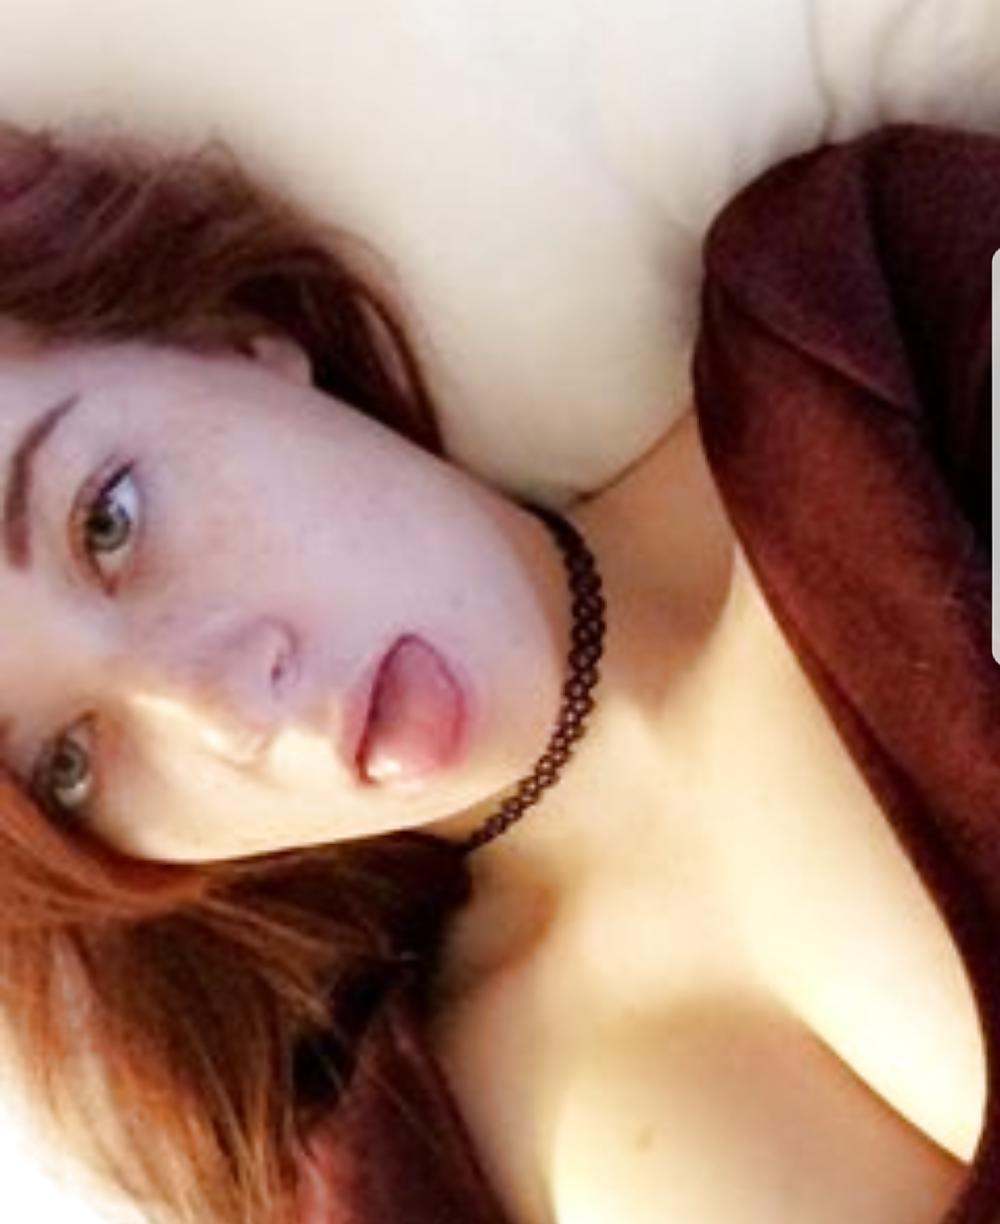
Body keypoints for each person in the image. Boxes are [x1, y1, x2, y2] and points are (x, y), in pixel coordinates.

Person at [0, 115, 992, 1224]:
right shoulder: (393, 1177)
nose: (229, 706)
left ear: (222, 337)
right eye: (67, 764)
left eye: (110, 520)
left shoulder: (859, 321)